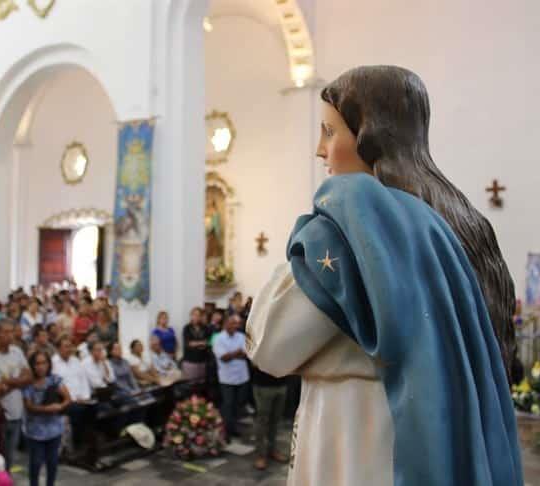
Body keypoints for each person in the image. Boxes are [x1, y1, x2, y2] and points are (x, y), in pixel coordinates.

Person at [246, 66, 522, 486]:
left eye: (329, 131)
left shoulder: (349, 227)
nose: (320, 150)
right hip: (432, 435)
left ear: (370, 135)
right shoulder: (450, 223)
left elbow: (269, 345)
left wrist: (310, 236)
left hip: (355, 438)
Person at [0, 320, 32, 472]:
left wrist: (7, 381)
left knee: (10, 455)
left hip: (16, 410)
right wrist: (19, 381)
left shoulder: (17, 351)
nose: (10, 335)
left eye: (12, 331)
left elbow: (29, 377)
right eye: (6, 332)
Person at [22, 351, 70, 486]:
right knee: (36, 463)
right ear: (32, 365)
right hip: (35, 430)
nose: (41, 366)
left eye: (44, 363)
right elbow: (28, 406)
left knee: (53, 462)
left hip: (54, 428)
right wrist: (45, 409)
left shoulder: (55, 379)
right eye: (37, 363)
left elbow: (67, 399)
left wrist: (59, 407)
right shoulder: (28, 384)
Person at [51, 337, 95, 453]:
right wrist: (74, 399)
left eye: (70, 346)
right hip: (64, 399)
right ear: (58, 348)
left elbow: (83, 379)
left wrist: (85, 396)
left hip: (80, 398)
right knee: (78, 411)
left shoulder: (75, 360)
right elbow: (57, 386)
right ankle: (76, 444)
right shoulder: (53, 363)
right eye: (65, 346)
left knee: (94, 407)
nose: (68, 349)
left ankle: (88, 443)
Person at [213, 315, 248, 440]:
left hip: (242, 376)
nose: (235, 326)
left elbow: (246, 354)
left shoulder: (241, 336)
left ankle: (234, 428)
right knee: (228, 404)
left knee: (238, 405)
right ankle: (225, 431)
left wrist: (232, 354)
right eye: (233, 323)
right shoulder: (219, 338)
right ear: (226, 324)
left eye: (237, 324)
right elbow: (223, 358)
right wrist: (236, 353)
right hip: (226, 378)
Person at [250, 364, 288, 470]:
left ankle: (272, 450)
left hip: (281, 383)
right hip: (263, 385)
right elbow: (254, 361)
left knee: (275, 420)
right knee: (262, 421)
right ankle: (260, 455)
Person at [181, 307, 212, 382]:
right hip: (190, 361)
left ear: (201, 316)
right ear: (191, 316)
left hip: (202, 360)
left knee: (201, 385)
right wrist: (201, 343)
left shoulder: (205, 328)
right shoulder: (187, 328)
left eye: (198, 315)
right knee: (190, 385)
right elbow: (189, 343)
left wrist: (197, 343)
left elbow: (208, 342)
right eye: (194, 315)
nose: (196, 317)